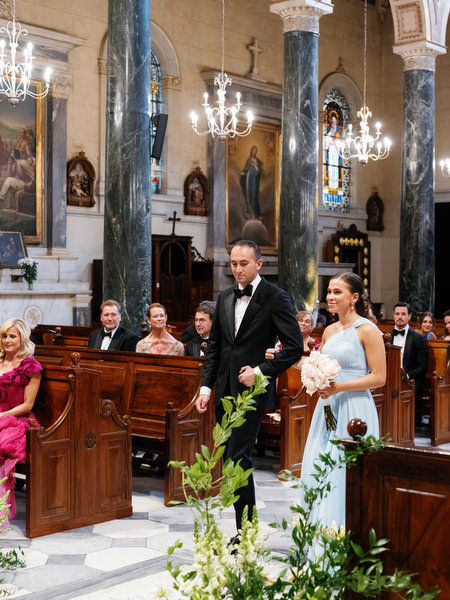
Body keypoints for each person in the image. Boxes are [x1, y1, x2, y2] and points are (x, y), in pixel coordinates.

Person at [195, 240, 303, 535]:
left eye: (244, 263)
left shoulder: (275, 297)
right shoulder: (225, 296)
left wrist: (260, 372)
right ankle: (246, 527)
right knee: (232, 461)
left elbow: (294, 347)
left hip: (252, 393)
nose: (238, 269)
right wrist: (206, 388)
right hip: (224, 391)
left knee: (237, 458)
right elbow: (215, 346)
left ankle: (245, 532)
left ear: (258, 264)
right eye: (233, 264)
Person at [300, 273, 386, 530]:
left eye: (337, 292)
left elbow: (379, 377)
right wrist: (312, 375)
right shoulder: (328, 331)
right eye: (329, 291)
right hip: (327, 406)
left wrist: (339, 387)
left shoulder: (368, 330)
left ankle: (347, 532)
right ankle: (319, 532)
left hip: (355, 407)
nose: (330, 297)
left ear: (354, 298)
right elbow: (318, 363)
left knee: (343, 468)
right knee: (320, 462)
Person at [0, 318, 42, 527]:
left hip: (18, 420)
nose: (7, 340)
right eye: (4, 336)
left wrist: (2, 416)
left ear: (22, 338)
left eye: (12, 336)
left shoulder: (30, 366)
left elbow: (27, 405)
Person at [390, 302, 428, 398]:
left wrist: (405, 376)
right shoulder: (387, 337)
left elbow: (422, 368)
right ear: (393, 315)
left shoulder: (419, 339)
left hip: (411, 381)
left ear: (409, 316)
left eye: (403, 314)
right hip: (390, 380)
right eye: (397, 314)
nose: (400, 317)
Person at [240, 145, 262, 220]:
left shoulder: (257, 161)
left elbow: (258, 171)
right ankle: (250, 211)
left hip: (254, 180)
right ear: (251, 151)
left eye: (255, 151)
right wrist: (243, 173)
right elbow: (246, 169)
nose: (254, 152)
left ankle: (255, 213)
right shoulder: (249, 160)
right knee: (249, 194)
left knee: (254, 195)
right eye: (253, 150)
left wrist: (255, 166)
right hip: (249, 179)